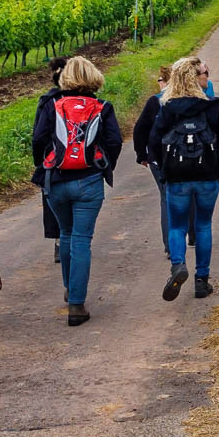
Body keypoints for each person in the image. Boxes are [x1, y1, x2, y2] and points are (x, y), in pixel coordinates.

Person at [32, 55, 123, 326]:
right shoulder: (102, 107)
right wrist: (104, 166)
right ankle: (76, 304)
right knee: (82, 239)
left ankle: (71, 289)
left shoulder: (51, 104)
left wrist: (45, 164)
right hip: (89, 180)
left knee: (66, 234)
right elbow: (115, 141)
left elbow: (38, 139)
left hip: (57, 180)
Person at [150, 57, 219, 301]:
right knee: (203, 225)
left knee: (177, 225)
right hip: (207, 174)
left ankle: (178, 265)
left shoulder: (167, 109)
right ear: (196, 79)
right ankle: (202, 280)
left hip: (177, 177)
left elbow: (154, 142)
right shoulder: (212, 107)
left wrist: (163, 170)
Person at [133, 64, 175, 249]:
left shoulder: (155, 101)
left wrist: (142, 154)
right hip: (185, 155)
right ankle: (190, 233)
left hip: (158, 157)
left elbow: (139, 130)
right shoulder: (186, 99)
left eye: (160, 79)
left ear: (165, 81)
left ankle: (169, 243)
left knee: (165, 197)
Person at [32, 56, 68, 264]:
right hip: (81, 163)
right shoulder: (85, 98)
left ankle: (59, 242)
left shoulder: (47, 101)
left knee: (54, 202)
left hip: (52, 162)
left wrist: (40, 162)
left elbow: (38, 137)